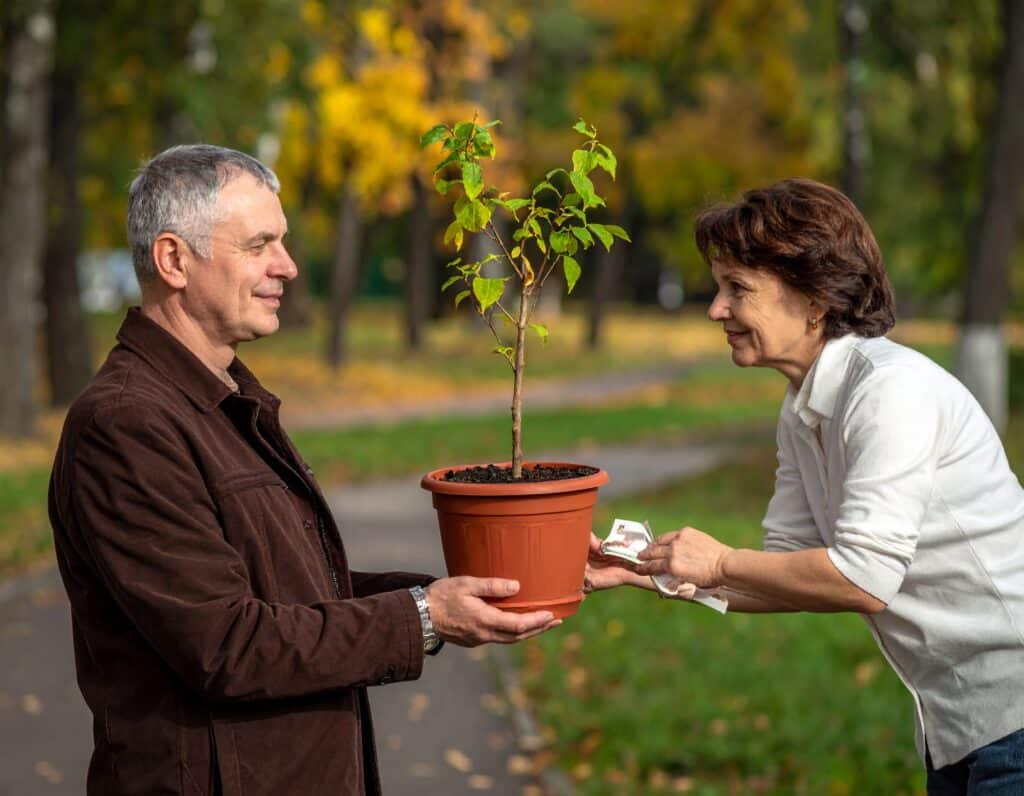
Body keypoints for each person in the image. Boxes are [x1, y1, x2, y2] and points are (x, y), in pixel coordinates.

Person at [48, 144, 559, 796]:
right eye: (260, 244)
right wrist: (425, 616)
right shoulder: (126, 425)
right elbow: (226, 644)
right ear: (174, 260)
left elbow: (300, 591)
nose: (286, 267)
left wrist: (488, 590)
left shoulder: (225, 402)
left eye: (283, 243)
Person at [584, 178, 1024, 794]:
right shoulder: (804, 408)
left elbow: (862, 578)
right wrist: (647, 570)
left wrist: (720, 561)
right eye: (719, 288)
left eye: (738, 288)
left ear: (814, 298)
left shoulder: (889, 392)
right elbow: (784, 572)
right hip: (957, 723)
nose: (716, 309)